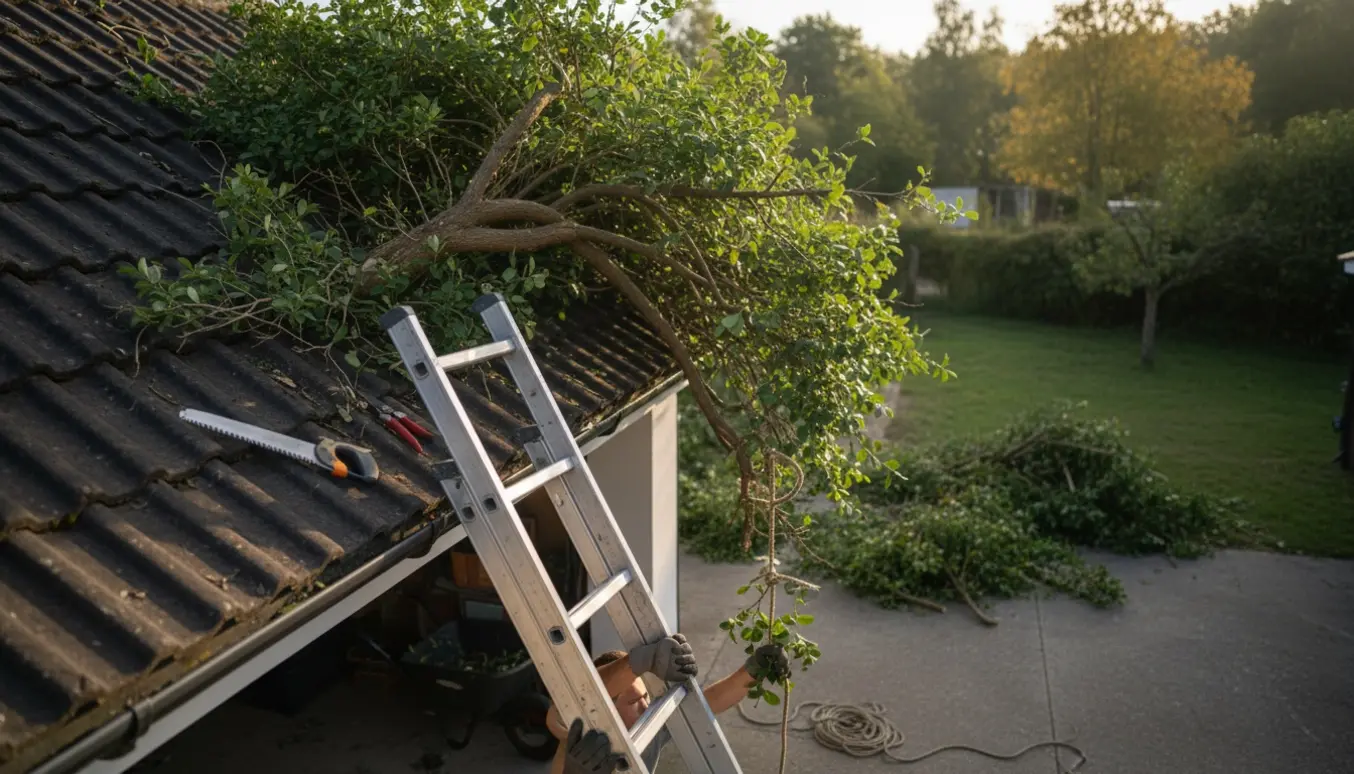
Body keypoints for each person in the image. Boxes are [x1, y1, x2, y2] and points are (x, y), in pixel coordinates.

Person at [545, 634, 789, 774]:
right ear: (603, 709)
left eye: (645, 697)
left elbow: (709, 703)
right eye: (633, 701)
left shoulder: (649, 729)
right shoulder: (578, 746)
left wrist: (753, 671)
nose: (644, 706)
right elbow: (557, 715)